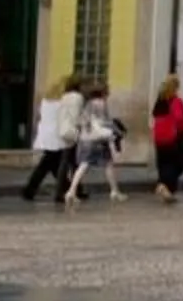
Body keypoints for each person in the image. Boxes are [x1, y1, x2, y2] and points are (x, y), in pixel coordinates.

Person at [63, 85, 123, 206]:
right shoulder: (101, 104)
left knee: (83, 165)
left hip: (85, 139)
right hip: (99, 140)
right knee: (108, 164)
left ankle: (71, 191)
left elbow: (82, 121)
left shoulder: (88, 104)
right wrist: (116, 131)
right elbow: (105, 122)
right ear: (103, 93)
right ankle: (114, 191)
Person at [21, 73, 77, 202]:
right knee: (49, 163)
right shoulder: (64, 102)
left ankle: (67, 188)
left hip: (46, 133)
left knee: (51, 164)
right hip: (56, 135)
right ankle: (30, 190)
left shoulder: (46, 100)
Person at [148, 76, 183, 203]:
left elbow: (155, 118)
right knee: (181, 161)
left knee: (164, 164)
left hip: (160, 138)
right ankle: (164, 185)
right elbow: (179, 119)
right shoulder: (176, 101)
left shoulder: (160, 101)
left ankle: (165, 189)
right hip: (174, 137)